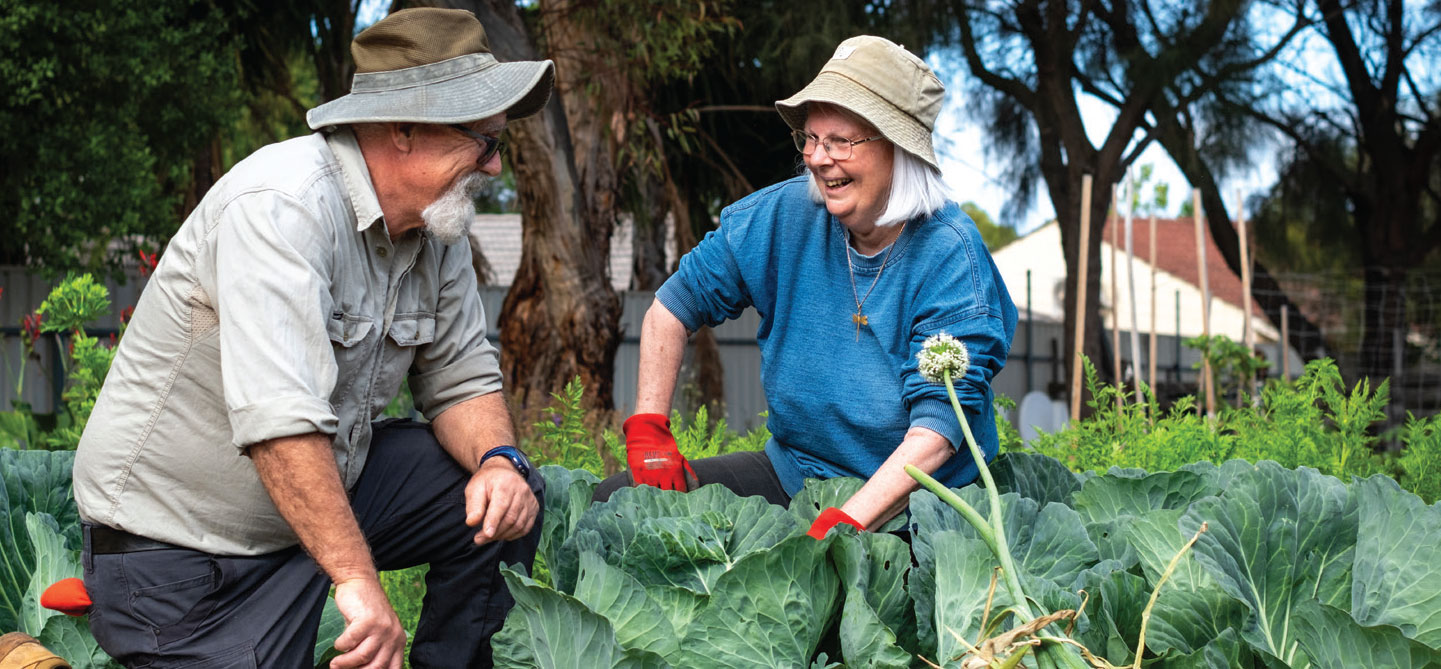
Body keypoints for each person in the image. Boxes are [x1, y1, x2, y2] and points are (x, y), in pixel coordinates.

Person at [70, 9, 551, 668]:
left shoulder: (436, 229)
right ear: (403, 129)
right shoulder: (282, 207)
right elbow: (280, 425)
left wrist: (499, 458)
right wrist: (357, 580)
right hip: (180, 557)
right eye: (483, 142)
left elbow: (463, 380)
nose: (494, 167)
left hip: (306, 511)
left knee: (504, 495)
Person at [594, 35, 1017, 539]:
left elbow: (938, 430)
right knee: (616, 508)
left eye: (841, 141)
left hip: (920, 506)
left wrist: (844, 524)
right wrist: (649, 428)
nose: (817, 158)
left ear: (898, 147)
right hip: (794, 476)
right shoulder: (783, 216)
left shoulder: (950, 254)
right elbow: (673, 306)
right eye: (811, 139)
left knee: (840, 600)